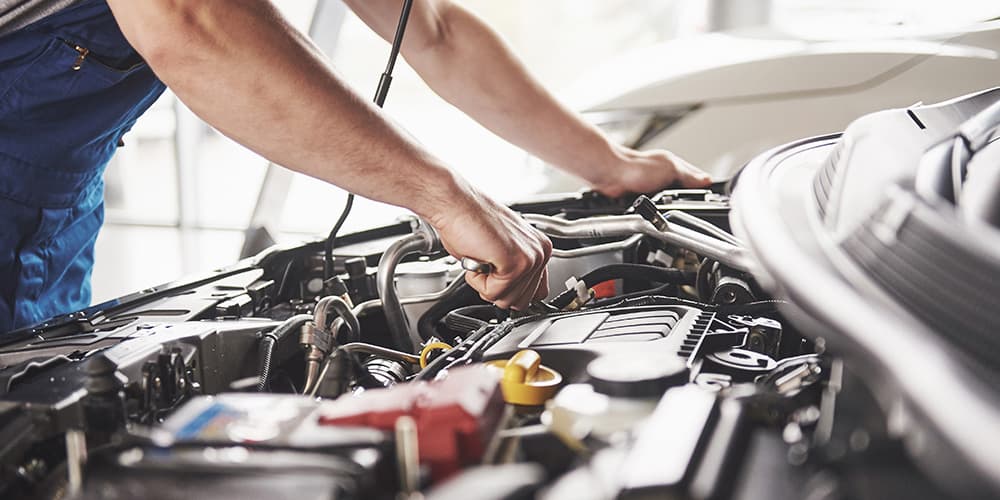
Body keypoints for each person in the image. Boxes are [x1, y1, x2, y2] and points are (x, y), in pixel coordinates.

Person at [0, 0, 711, 334]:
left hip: (48, 208)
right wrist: (446, 197)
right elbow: (191, 22)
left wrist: (611, 166)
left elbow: (433, 31)